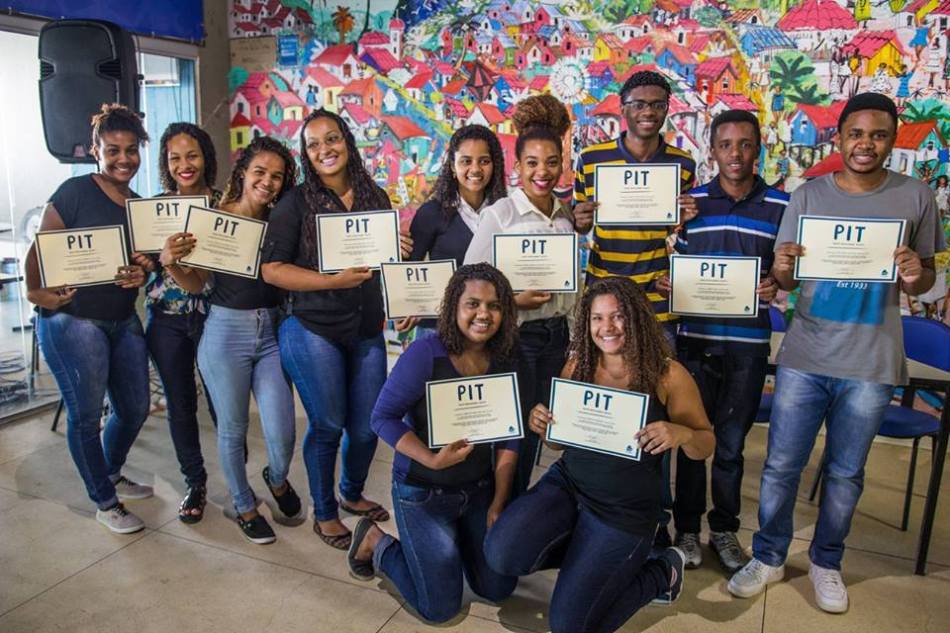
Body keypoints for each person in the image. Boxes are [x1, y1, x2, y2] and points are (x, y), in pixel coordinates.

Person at [728, 93, 944, 613]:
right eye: (856, 133)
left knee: (847, 473)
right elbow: (786, 276)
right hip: (806, 353)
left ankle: (827, 562)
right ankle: (770, 554)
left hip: (871, 361)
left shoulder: (915, 198)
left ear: (891, 140)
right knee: (781, 465)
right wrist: (781, 268)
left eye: (878, 135)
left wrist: (919, 275)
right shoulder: (808, 196)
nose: (865, 144)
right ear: (839, 137)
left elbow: (929, 276)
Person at [484, 277, 715, 633]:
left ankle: (661, 572)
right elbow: (558, 445)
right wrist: (545, 426)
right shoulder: (577, 366)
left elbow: (705, 444)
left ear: (636, 318)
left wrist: (680, 432)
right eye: (596, 318)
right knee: (501, 553)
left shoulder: (668, 375)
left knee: (570, 627)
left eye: (618, 316)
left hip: (625, 510)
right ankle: (589, 558)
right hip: (570, 486)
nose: (607, 327)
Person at [261, 109, 409, 549]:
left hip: (365, 329)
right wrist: (332, 281)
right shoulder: (295, 203)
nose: (324, 149)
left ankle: (351, 492)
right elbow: (272, 270)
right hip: (311, 327)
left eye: (332, 139)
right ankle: (324, 512)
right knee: (327, 422)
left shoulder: (374, 196)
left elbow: (380, 267)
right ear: (305, 154)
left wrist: (397, 252)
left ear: (347, 141)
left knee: (366, 427)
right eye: (313, 144)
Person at [347, 263, 520, 622]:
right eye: (473, 304)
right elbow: (382, 418)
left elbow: (510, 437)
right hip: (423, 492)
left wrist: (499, 502)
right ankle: (375, 541)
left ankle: (455, 542)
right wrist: (431, 459)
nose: (483, 314)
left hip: (478, 490)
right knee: (439, 608)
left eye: (494, 305)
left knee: (498, 588)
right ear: (454, 305)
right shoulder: (426, 353)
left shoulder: (506, 358)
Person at [655, 110, 787, 572]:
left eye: (746, 144)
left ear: (758, 148)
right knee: (693, 440)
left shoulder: (781, 206)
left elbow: (784, 274)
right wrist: (672, 281)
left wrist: (775, 284)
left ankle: (725, 530)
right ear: (713, 151)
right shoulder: (690, 205)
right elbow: (666, 259)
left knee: (731, 445)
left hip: (748, 347)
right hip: (694, 343)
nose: (736, 153)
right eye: (726, 145)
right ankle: (686, 529)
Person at [572, 69, 699, 549]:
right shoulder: (592, 161)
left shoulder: (683, 165)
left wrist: (687, 223)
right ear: (621, 108)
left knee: (656, 423)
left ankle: (653, 518)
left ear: (668, 109)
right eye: (638, 104)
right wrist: (576, 218)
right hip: (602, 313)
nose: (648, 112)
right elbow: (577, 228)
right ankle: (596, 508)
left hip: (656, 312)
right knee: (600, 415)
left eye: (657, 104)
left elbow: (685, 239)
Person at [24, 103, 154, 533]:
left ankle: (109, 470)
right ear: (96, 150)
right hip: (73, 320)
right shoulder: (74, 192)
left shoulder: (137, 203)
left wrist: (141, 271)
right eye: (113, 149)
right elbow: (39, 248)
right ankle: (104, 500)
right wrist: (36, 293)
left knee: (134, 407)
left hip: (121, 319)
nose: (123, 159)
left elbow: (137, 265)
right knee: (85, 417)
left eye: (131, 150)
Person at [168, 136, 303, 545]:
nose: (268, 181)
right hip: (225, 331)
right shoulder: (213, 218)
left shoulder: (282, 221)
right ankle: (243, 503)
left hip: (272, 332)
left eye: (277, 176)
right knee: (232, 428)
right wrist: (171, 263)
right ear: (243, 172)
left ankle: (276, 478)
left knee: (282, 432)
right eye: (260, 172)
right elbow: (195, 284)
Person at [464, 94, 580, 495]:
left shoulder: (565, 216)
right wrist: (513, 301)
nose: (542, 172)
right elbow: (468, 285)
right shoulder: (499, 215)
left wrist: (574, 340)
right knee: (515, 433)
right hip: (518, 340)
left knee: (545, 428)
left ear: (562, 165)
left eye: (551, 162)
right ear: (518, 167)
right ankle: (499, 513)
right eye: (532, 163)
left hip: (557, 341)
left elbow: (572, 287)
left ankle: (517, 512)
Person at [147, 122, 221, 524]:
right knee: (180, 405)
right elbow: (144, 268)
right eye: (175, 158)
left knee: (222, 405)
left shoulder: (226, 204)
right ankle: (195, 482)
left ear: (205, 157)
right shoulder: (154, 209)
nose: (184, 165)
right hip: (167, 322)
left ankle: (239, 476)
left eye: (191, 155)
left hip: (216, 320)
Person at [403, 124, 507, 338]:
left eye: (484, 161)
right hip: (438, 327)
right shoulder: (432, 212)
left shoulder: (506, 213)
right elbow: (408, 268)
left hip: (488, 328)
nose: (476, 169)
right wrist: (408, 305)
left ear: (495, 165)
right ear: (452, 166)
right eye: (466, 161)